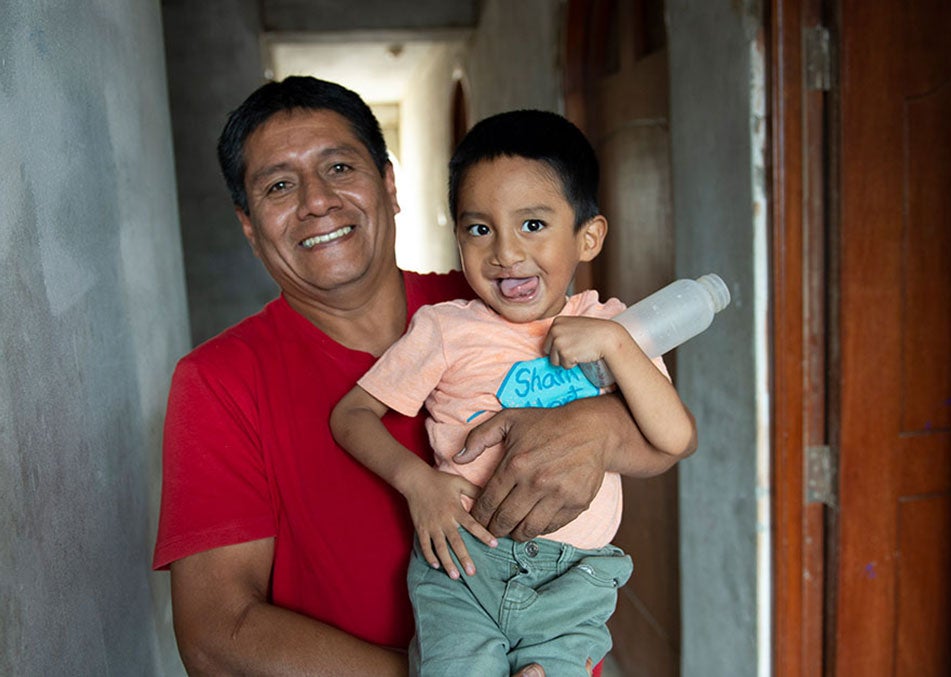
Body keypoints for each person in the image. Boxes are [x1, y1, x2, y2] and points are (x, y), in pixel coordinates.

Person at [153, 75, 683, 676]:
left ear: (389, 184)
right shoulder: (219, 381)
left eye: (339, 168)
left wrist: (595, 427)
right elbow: (215, 636)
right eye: (279, 185)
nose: (316, 201)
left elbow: (658, 435)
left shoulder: (495, 303)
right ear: (250, 225)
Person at [331, 109, 697, 675]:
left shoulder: (619, 328)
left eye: (532, 225)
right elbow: (352, 414)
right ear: (456, 238)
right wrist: (418, 484)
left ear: (589, 236)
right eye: (480, 229)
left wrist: (618, 345)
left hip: (576, 579)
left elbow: (675, 439)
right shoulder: (445, 329)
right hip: (464, 566)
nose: (504, 252)